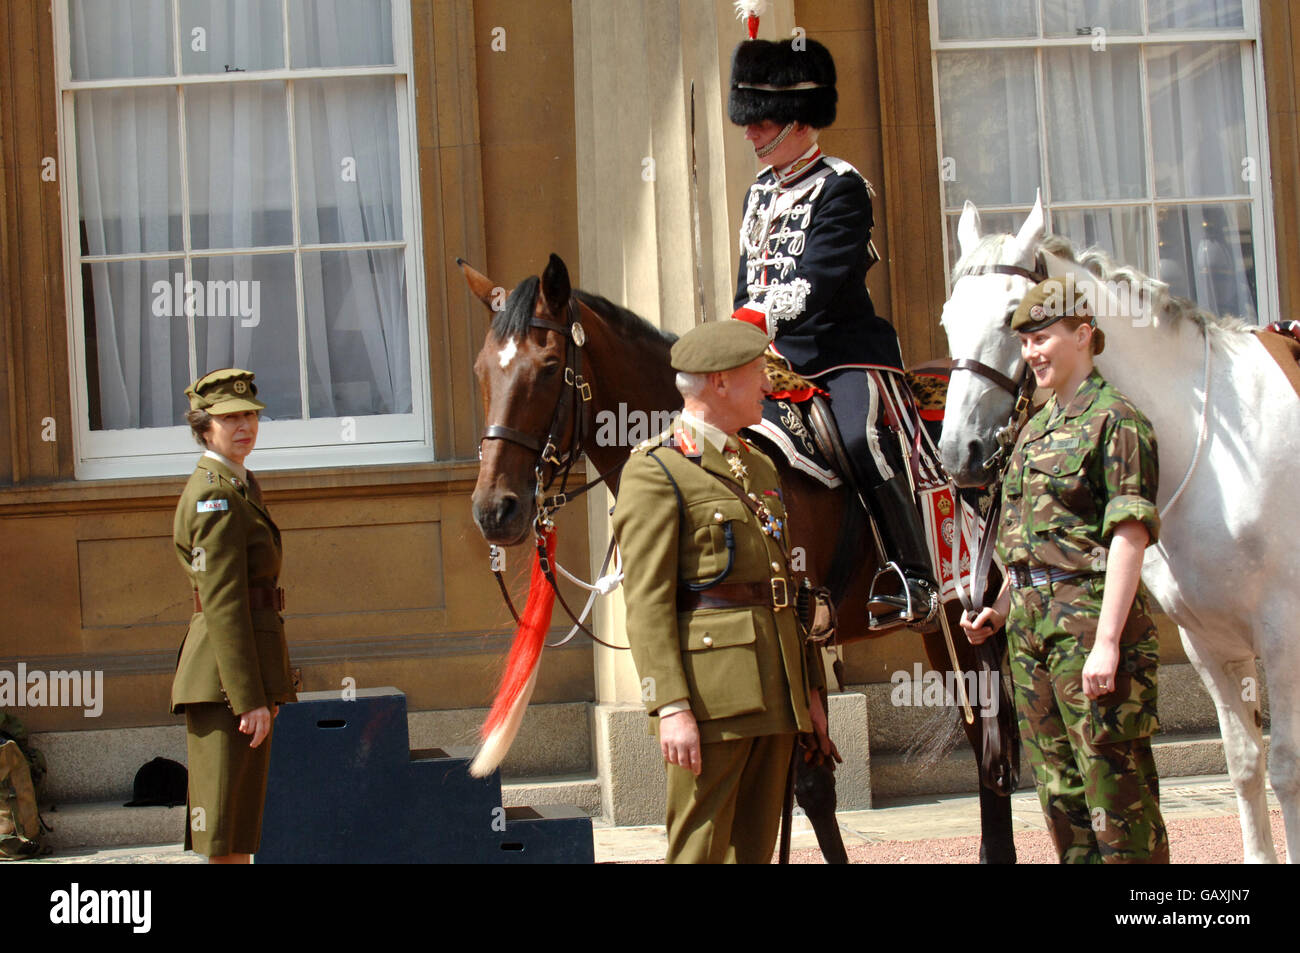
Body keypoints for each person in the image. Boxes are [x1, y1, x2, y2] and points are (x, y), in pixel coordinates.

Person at [727, 32, 937, 625]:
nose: (749, 133)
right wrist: (740, 334)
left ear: (797, 118)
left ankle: (914, 577)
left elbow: (822, 276)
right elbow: (748, 280)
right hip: (772, 354)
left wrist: (759, 316)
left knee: (858, 440)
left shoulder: (843, 185)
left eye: (759, 120)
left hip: (843, 352)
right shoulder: (757, 193)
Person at [961, 278, 1169, 863]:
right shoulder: (1033, 428)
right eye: (1025, 341)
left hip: (1090, 631)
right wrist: (999, 611)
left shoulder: (1118, 420)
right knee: (1061, 796)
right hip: (1032, 635)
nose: (1031, 352)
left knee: (1116, 797)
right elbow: (1026, 544)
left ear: (1083, 336)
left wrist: (1107, 643)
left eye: (1042, 337)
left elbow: (1130, 534)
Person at [612, 320, 832, 863]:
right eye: (758, 374)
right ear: (720, 383)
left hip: (774, 688)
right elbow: (647, 603)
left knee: (752, 850)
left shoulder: (758, 465)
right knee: (700, 849)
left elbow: (781, 587)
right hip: (711, 699)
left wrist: (809, 690)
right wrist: (670, 705)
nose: (767, 385)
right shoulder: (655, 471)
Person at [171, 368, 295, 864]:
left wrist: (264, 689)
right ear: (205, 428)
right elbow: (223, 604)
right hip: (224, 684)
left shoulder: (239, 484)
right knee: (223, 835)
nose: (244, 426)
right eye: (230, 419)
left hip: (238, 681)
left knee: (238, 832)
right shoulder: (214, 495)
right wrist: (248, 698)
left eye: (249, 415)